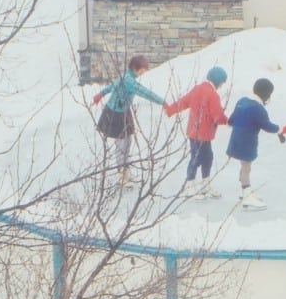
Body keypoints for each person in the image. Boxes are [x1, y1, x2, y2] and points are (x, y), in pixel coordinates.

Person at [93, 54, 168, 184]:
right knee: (122, 144)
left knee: (128, 140)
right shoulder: (128, 80)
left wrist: (101, 94)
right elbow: (145, 92)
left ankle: (125, 171)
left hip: (124, 112)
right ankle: (121, 174)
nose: (144, 72)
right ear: (136, 68)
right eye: (143, 69)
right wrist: (163, 102)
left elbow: (112, 86)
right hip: (116, 113)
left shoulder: (127, 75)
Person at [164, 66, 229, 200]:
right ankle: (189, 185)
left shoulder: (197, 89)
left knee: (205, 157)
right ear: (217, 80)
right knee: (198, 158)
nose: (222, 86)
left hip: (194, 131)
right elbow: (217, 114)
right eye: (222, 82)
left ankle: (204, 183)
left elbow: (183, 102)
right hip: (203, 132)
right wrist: (227, 121)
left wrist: (171, 110)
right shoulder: (212, 94)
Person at [226, 78, 281, 210]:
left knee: (244, 166)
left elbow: (231, 120)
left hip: (235, 140)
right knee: (246, 167)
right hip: (247, 141)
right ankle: (246, 194)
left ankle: (245, 190)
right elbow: (267, 126)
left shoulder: (242, 101)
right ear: (266, 94)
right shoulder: (258, 108)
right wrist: (279, 129)